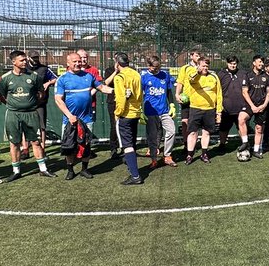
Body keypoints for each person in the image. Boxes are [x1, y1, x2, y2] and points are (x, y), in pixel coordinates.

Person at [0, 50, 54, 181]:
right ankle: (16, 171)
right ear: (13, 62)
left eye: (25, 60)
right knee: (14, 143)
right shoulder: (6, 78)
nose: (25, 62)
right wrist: (15, 104)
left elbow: (41, 93)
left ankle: (43, 169)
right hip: (13, 114)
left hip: (31, 114)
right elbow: (2, 96)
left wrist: (31, 103)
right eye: (22, 60)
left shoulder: (34, 76)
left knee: (35, 141)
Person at [54, 50, 101, 179]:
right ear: (68, 63)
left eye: (79, 61)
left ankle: (84, 169)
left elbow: (102, 88)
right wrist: (69, 115)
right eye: (74, 61)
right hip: (69, 119)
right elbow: (58, 99)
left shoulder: (88, 76)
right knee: (69, 146)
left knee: (86, 145)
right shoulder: (62, 79)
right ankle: (70, 170)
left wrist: (117, 91)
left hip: (87, 118)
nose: (78, 63)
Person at [99, 52, 144, 185]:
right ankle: (134, 172)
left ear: (117, 63)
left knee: (127, 145)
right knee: (131, 143)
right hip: (135, 113)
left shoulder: (119, 77)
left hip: (125, 115)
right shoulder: (136, 74)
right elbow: (140, 94)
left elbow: (120, 99)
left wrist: (117, 113)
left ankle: (135, 176)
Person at [177, 55, 222, 164]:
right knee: (192, 132)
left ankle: (204, 154)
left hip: (210, 109)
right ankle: (189, 155)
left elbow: (219, 94)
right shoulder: (194, 76)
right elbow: (192, 79)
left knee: (206, 132)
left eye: (206, 66)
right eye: (202, 66)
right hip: (195, 108)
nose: (205, 68)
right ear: (198, 66)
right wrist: (198, 71)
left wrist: (219, 111)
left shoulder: (214, 77)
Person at [140, 55, 177, 168]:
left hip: (164, 111)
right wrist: (140, 109)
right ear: (149, 66)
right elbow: (139, 94)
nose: (157, 69)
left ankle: (167, 156)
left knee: (172, 131)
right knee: (152, 136)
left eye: (158, 67)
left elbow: (169, 91)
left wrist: (171, 104)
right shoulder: (144, 78)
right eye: (155, 67)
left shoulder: (165, 75)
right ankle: (154, 160)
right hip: (151, 112)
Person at [239, 55, 269, 159]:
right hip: (250, 105)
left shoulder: (266, 76)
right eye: (259, 62)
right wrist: (253, 106)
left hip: (262, 106)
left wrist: (264, 105)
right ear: (254, 63)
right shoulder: (247, 75)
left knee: (259, 129)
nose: (261, 64)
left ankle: (256, 150)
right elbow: (244, 92)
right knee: (241, 118)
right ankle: (245, 142)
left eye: (262, 62)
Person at [28, 52, 59, 147]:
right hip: (27, 101)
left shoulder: (44, 69)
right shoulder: (24, 69)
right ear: (29, 58)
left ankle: (43, 146)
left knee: (42, 125)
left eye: (37, 57)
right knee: (26, 125)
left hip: (41, 101)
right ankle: (25, 148)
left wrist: (48, 83)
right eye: (33, 58)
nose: (36, 59)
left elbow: (56, 79)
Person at [218, 56, 245, 147]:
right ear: (227, 63)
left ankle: (244, 144)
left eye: (234, 64)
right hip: (226, 107)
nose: (233, 66)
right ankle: (222, 144)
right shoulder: (221, 74)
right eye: (231, 64)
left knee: (241, 126)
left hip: (240, 106)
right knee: (224, 128)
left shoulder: (242, 73)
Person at [175, 50, 202, 141]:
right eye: (197, 55)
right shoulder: (185, 68)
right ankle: (186, 143)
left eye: (200, 56)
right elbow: (180, 82)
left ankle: (193, 143)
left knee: (195, 122)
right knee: (185, 121)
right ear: (191, 56)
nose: (198, 57)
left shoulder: (203, 69)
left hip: (198, 99)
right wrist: (177, 94)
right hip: (187, 99)